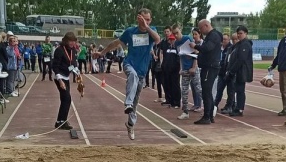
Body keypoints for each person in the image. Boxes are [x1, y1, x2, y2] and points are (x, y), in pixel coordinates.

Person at [94, 8, 160, 140]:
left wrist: (147, 27)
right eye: (143, 19)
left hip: (142, 70)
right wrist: (102, 53)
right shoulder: (130, 31)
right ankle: (127, 103)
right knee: (132, 75)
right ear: (138, 18)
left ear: (150, 20)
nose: (145, 22)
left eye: (148, 19)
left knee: (135, 102)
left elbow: (158, 39)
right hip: (129, 64)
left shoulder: (151, 31)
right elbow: (116, 43)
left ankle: (130, 124)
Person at [194, 19, 223, 124]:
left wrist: (196, 46)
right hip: (209, 66)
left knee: (206, 92)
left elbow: (207, 48)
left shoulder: (213, 35)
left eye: (201, 28)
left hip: (210, 67)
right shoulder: (213, 35)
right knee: (208, 92)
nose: (201, 31)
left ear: (206, 25)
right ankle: (209, 116)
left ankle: (207, 117)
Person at [51, 32, 81, 131]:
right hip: (59, 77)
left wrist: (77, 73)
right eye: (70, 41)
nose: (72, 43)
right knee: (67, 98)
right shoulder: (59, 50)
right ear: (66, 41)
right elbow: (55, 66)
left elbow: (73, 64)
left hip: (67, 76)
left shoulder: (73, 50)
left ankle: (60, 121)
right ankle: (62, 121)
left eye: (74, 41)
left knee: (65, 99)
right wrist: (60, 81)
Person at [224, 25, 253, 116]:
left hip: (242, 71)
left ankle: (239, 109)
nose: (239, 35)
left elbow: (241, 59)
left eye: (241, 33)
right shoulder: (239, 44)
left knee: (240, 90)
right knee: (238, 89)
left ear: (246, 33)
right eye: (238, 33)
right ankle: (237, 107)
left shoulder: (245, 44)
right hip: (238, 71)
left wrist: (232, 71)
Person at [174, 25, 201, 120]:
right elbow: (181, 56)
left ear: (180, 30)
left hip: (193, 69)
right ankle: (185, 111)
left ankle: (207, 109)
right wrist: (181, 68)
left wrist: (194, 67)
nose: (175, 35)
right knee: (184, 91)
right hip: (185, 69)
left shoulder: (188, 38)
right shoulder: (176, 43)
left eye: (177, 32)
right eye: (174, 33)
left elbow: (195, 53)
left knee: (198, 89)